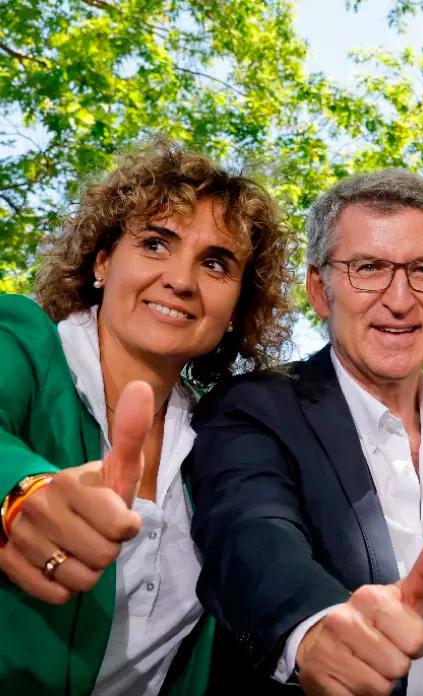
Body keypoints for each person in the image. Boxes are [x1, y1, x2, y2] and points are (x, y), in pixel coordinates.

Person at [188, 168, 423, 695]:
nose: (399, 299)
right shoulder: (252, 409)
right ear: (320, 289)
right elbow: (250, 537)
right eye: (368, 268)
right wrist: (311, 628)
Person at [0, 140, 293, 695]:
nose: (181, 280)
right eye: (156, 244)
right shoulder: (23, 340)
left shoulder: (220, 445)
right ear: (103, 262)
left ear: (236, 309)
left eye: (215, 263)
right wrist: (21, 493)